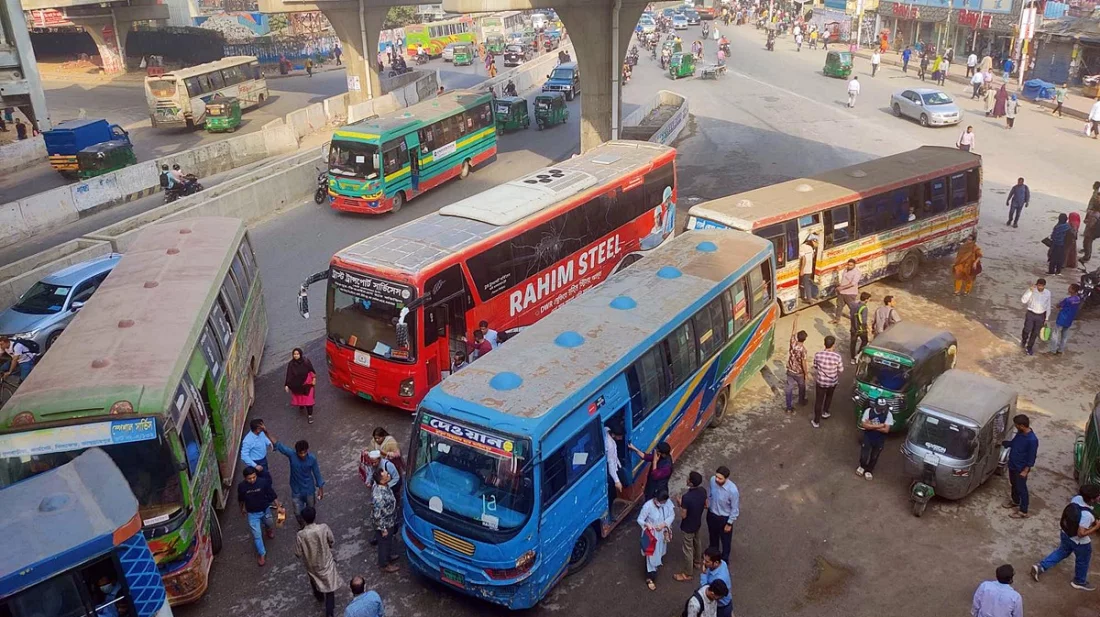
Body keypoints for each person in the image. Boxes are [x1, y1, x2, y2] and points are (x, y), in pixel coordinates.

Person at [1032, 483, 1100, 591]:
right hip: (1079, 542)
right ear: (1092, 499)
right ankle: (1079, 581)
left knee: (1062, 551)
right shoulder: (1087, 515)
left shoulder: (1077, 499)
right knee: (1083, 561)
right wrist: (1096, 527)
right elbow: (1081, 533)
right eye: (1098, 495)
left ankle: (1041, 567)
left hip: (1066, 533)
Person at [295, 507, 340, 617]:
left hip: (311, 564)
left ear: (303, 519)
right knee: (330, 588)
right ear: (315, 516)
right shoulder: (324, 528)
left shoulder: (301, 535)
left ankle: (318, 595)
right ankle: (329, 613)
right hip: (326, 561)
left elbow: (298, 553)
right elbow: (331, 540)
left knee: (314, 579)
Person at [272, 435, 325, 529]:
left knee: (311, 510)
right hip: (296, 490)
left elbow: (317, 473)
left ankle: (310, 526)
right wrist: (266, 432)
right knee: (297, 512)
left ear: (307, 450)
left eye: (304, 452)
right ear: (296, 452)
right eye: (301, 453)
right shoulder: (292, 455)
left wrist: (321, 489)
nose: (303, 455)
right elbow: (279, 445)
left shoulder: (312, 459)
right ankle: (302, 526)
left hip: (309, 489)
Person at [238, 466, 279, 566]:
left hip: (265, 510)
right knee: (257, 535)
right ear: (245, 478)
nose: (252, 480)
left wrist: (278, 506)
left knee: (269, 523)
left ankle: (268, 529)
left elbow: (272, 494)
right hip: (252, 514)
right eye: (249, 478)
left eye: (254, 477)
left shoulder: (263, 482)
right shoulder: (242, 487)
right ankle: (262, 553)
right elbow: (241, 499)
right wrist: (242, 509)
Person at [1000, 413, 1039, 520]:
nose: (1015, 426)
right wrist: (1004, 443)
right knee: (1014, 484)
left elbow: (1031, 457)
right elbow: (1014, 444)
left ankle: (1023, 511)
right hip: (1013, 465)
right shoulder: (1020, 433)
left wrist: (1025, 471)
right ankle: (1015, 501)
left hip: (1020, 468)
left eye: (1016, 425)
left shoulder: (1032, 440)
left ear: (1022, 425)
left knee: (1022, 489)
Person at [637, 488, 675, 590]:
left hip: (662, 532)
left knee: (660, 551)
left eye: (663, 502)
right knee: (651, 554)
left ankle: (656, 565)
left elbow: (672, 515)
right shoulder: (647, 506)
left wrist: (664, 524)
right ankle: (650, 577)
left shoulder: (667, 503)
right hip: (652, 534)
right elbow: (640, 519)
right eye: (660, 502)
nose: (661, 504)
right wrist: (647, 524)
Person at [674, 471, 708, 581]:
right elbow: (706, 505)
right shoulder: (702, 491)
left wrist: (680, 504)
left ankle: (688, 573)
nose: (687, 479)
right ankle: (697, 561)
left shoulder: (686, 497)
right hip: (697, 522)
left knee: (688, 549)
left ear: (691, 482)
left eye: (688, 478)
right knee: (697, 541)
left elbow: (683, 515)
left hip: (688, 526)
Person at [370, 466, 400, 573]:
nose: (389, 475)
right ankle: (384, 564)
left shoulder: (384, 486)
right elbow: (377, 515)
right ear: (382, 481)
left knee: (388, 541)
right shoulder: (378, 497)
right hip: (385, 524)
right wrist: (383, 529)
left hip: (390, 520)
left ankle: (388, 556)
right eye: (387, 475)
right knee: (384, 544)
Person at [706, 466, 739, 563]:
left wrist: (729, 523)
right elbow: (710, 493)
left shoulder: (733, 491)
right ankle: (713, 557)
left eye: (720, 478)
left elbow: (734, 508)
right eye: (716, 476)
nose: (717, 479)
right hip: (712, 514)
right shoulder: (712, 480)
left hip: (724, 518)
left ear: (726, 478)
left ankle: (724, 560)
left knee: (725, 541)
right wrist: (708, 501)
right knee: (713, 537)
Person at [857, 398, 894, 480]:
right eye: (880, 407)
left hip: (880, 439)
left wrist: (871, 425)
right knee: (864, 455)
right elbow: (864, 425)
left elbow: (886, 430)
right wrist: (880, 425)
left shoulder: (888, 414)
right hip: (868, 436)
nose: (882, 409)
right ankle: (862, 466)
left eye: (883, 407)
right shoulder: (868, 411)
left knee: (874, 456)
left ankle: (869, 470)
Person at [811, 335, 842, 428]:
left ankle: (816, 421)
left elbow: (815, 366)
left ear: (824, 344)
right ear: (833, 345)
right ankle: (825, 412)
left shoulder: (818, 354)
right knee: (829, 397)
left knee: (818, 401)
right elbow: (841, 370)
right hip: (832, 382)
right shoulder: (837, 357)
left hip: (821, 381)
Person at [284, 348, 317, 423]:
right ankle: (301, 405)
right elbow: (289, 375)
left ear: (300, 354)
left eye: (297, 354)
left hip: (307, 384)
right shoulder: (291, 364)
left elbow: (311, 370)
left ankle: (310, 415)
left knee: (309, 401)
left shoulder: (306, 361)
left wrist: (314, 379)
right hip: (297, 386)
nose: (296, 356)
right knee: (301, 398)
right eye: (294, 354)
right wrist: (287, 385)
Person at [784, 313, 809, 413]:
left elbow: (793, 330)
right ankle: (801, 401)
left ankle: (788, 407)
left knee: (789, 388)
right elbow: (804, 363)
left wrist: (796, 318)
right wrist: (806, 373)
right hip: (799, 373)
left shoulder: (792, 342)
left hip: (790, 370)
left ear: (797, 337)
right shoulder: (803, 350)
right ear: (805, 339)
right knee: (802, 387)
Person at [1048, 283, 1082, 354]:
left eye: (1070, 287)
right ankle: (1061, 350)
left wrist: (1058, 306)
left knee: (1055, 334)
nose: (1068, 288)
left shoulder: (1068, 300)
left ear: (1073, 290)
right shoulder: (1078, 299)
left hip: (1062, 318)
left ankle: (1052, 350)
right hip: (1069, 319)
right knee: (1064, 335)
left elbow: (1059, 305)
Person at [1020, 279, 1051, 356]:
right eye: (1038, 285)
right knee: (1027, 329)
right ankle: (1024, 340)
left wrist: (1046, 318)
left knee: (1035, 333)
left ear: (1044, 286)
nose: (1039, 287)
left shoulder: (1047, 293)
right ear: (1036, 285)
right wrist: (1030, 291)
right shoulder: (1032, 290)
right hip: (1031, 313)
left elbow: (1048, 305)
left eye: (1041, 286)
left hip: (1041, 315)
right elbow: (1023, 300)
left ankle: (1029, 347)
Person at [700, 548, 734, 617]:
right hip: (728, 602)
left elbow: (705, 590)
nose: (703, 562)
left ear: (716, 563)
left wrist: (703, 574)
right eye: (704, 559)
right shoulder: (722, 563)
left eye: (707, 561)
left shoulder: (718, 579)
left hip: (721, 607)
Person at [605, 421, 629, 511]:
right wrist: (617, 481)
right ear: (613, 435)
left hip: (616, 463)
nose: (621, 438)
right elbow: (611, 465)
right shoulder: (610, 445)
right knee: (612, 492)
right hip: (611, 468)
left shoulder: (606, 430)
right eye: (619, 436)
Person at [850, 292, 871, 362]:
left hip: (853, 327)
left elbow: (851, 316)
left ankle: (852, 358)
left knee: (853, 343)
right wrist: (867, 327)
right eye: (869, 299)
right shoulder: (864, 308)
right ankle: (858, 354)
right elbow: (864, 321)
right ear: (866, 299)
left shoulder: (854, 305)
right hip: (861, 329)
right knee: (865, 341)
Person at [799, 235, 818, 302]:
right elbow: (812, 256)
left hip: (804, 270)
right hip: (809, 269)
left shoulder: (801, 247)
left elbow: (803, 258)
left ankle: (809, 299)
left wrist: (802, 270)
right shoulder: (810, 248)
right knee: (805, 282)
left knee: (806, 284)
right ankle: (805, 296)